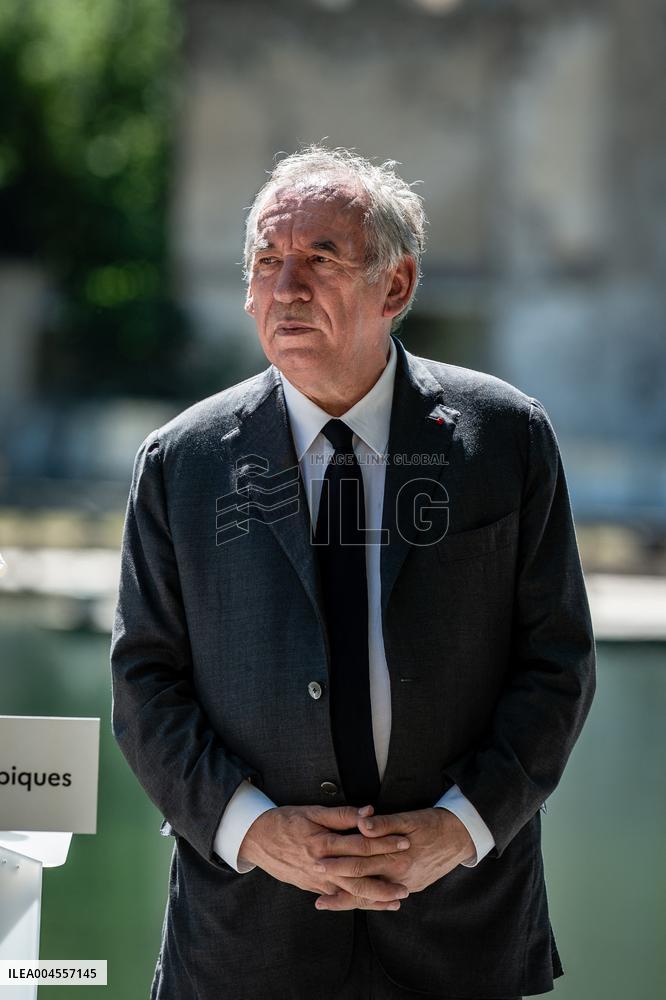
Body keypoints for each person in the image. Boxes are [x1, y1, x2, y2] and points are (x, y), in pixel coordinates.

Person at [110, 145, 596, 1000]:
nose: (285, 286)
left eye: (320, 259)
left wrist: (461, 827)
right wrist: (256, 833)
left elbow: (557, 666)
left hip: (462, 930)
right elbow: (146, 687)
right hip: (244, 942)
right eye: (266, 261)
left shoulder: (507, 438)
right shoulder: (179, 462)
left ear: (396, 288)